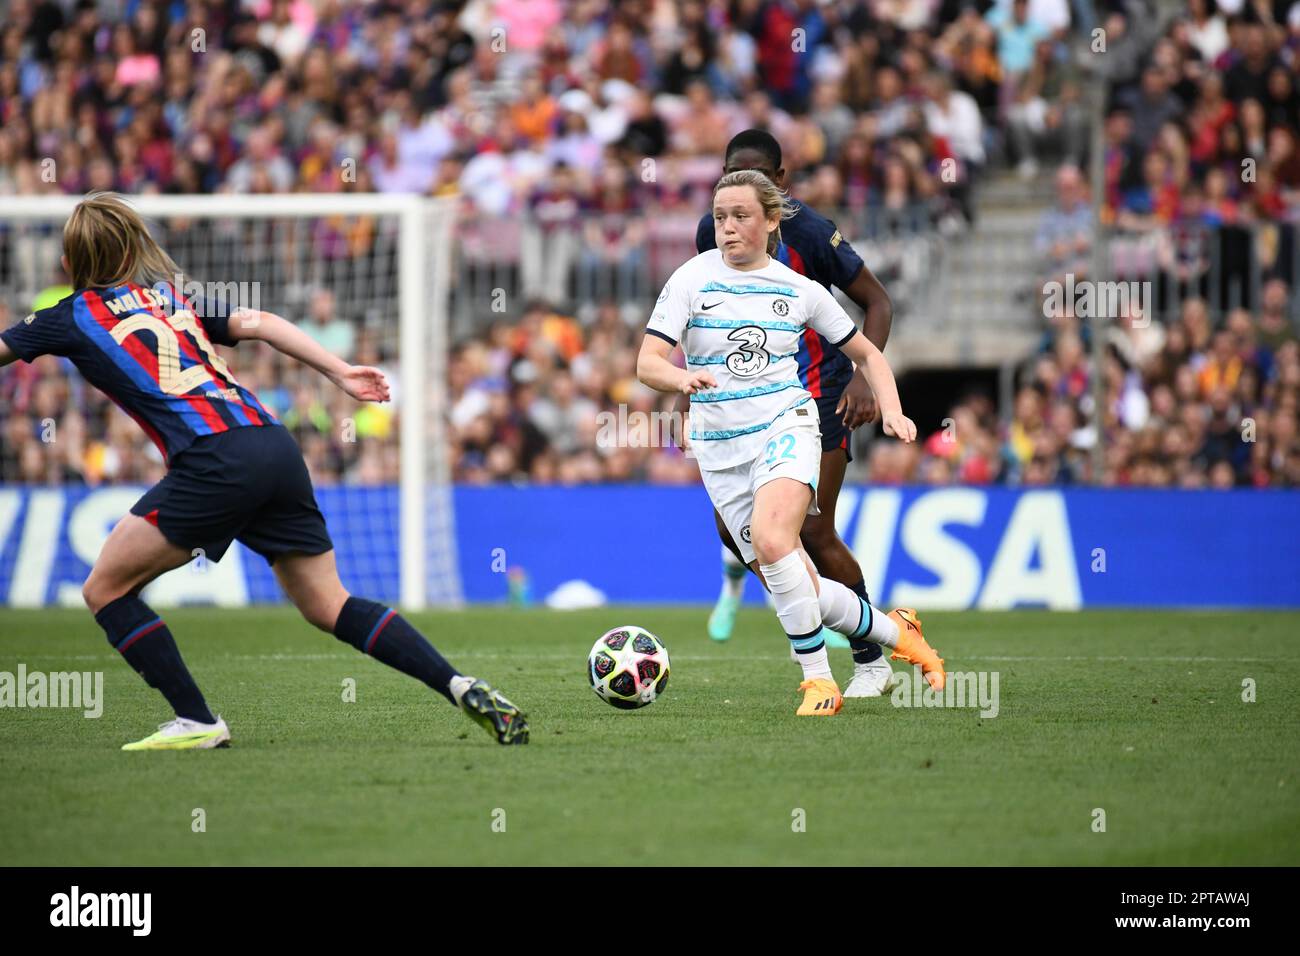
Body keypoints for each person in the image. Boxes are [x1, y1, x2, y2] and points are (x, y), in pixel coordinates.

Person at [0, 192, 529, 749]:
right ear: (132, 248)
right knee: (330, 604)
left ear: (70, 261)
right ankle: (458, 683)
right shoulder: (165, 299)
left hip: (213, 459)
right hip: (273, 446)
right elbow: (256, 320)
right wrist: (340, 371)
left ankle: (198, 721)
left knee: (105, 589)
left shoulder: (67, 316)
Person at [639, 170, 946, 716]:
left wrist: (894, 411)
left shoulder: (798, 289)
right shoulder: (690, 279)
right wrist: (681, 379)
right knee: (794, 583)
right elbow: (647, 363)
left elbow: (868, 354)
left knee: (780, 538)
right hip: (719, 452)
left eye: (741, 217)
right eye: (720, 217)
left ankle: (819, 684)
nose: (728, 228)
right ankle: (896, 631)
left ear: (771, 220)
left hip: (787, 426)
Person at [694, 129, 897, 698]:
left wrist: (864, 378)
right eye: (734, 175)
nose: (744, 192)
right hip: (745, 404)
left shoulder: (810, 232)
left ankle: (871, 661)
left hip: (819, 396)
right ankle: (805, 608)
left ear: (781, 183)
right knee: (739, 534)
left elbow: (878, 300)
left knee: (812, 528)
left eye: (761, 177)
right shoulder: (713, 232)